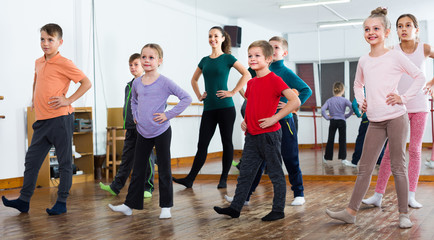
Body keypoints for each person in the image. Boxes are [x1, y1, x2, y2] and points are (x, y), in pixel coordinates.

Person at [325, 7, 427, 229]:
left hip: (396, 119)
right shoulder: (364, 60)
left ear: (387, 32)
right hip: (374, 120)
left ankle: (403, 215)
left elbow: (419, 76)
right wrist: (361, 100)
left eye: (376, 28)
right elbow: (357, 84)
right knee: (364, 167)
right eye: (367, 29)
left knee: (398, 166)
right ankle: (351, 212)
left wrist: (403, 97)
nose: (371, 32)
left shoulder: (395, 55)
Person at [1, 23, 92, 215]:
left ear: (60, 42)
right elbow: (36, 80)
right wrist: (34, 98)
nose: (45, 43)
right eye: (42, 39)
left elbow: (86, 83)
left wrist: (68, 99)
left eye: (50, 39)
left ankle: (61, 202)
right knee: (32, 161)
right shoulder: (38, 62)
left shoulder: (65, 63)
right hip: (42, 121)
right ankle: (24, 201)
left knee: (64, 162)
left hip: (60, 119)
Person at [214, 40, 301, 221]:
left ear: (268, 59)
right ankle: (235, 208)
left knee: (276, 173)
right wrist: (246, 121)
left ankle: (278, 210)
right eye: (250, 56)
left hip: (270, 135)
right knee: (245, 174)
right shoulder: (252, 83)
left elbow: (295, 101)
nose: (252, 59)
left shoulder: (276, 79)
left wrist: (275, 118)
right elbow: (252, 105)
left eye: (257, 56)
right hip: (252, 135)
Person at [108, 43, 192, 219]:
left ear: (159, 61)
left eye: (151, 57)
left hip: (161, 131)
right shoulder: (137, 82)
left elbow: (186, 98)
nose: (147, 60)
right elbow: (134, 100)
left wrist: (168, 115)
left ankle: (166, 206)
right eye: (144, 57)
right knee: (138, 170)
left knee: (164, 169)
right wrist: (136, 114)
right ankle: (129, 205)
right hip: (142, 131)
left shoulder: (165, 82)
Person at [227, 36, 312, 206]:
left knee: (290, 157)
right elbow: (249, 90)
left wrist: (289, 105)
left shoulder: (285, 73)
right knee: (258, 161)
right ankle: (246, 195)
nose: (273, 50)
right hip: (261, 126)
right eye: (270, 47)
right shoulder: (256, 71)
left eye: (277, 48)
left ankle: (299, 193)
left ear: (283, 53)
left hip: (284, 122)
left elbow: (306, 90)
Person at [363, 13, 434, 209]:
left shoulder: (424, 48)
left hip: (420, 106)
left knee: (415, 150)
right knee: (390, 152)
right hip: (396, 108)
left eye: (408, 25)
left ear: (416, 29)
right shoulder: (392, 51)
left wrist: (431, 82)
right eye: (400, 26)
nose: (404, 29)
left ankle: (411, 195)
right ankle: (378, 195)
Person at [173, 26, 250, 189]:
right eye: (210, 36)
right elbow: (193, 80)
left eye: (216, 36)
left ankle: (223, 179)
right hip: (209, 108)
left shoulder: (228, 58)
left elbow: (247, 74)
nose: (212, 39)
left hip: (226, 108)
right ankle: (190, 179)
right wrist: (199, 95)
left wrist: (233, 92)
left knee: (226, 143)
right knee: (202, 145)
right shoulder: (204, 60)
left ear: (222, 38)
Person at [99, 53, 156, 198]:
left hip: (144, 128)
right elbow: (127, 108)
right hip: (130, 128)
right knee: (126, 159)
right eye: (130, 65)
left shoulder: (148, 83)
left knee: (148, 158)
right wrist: (125, 127)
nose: (133, 67)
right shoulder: (129, 86)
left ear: (143, 66)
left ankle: (148, 187)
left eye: (136, 64)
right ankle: (115, 187)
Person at [321, 82, 353, 166]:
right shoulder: (345, 100)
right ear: (342, 90)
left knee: (330, 139)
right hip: (342, 121)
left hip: (333, 121)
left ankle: (326, 157)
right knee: (342, 139)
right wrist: (346, 116)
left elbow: (322, 110)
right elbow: (352, 108)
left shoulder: (330, 100)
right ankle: (343, 159)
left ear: (334, 90)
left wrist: (327, 118)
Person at [351, 97, 387, 167]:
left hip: (366, 120)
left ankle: (354, 162)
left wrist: (359, 115)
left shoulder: (362, 91)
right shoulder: (377, 90)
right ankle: (380, 162)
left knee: (361, 141)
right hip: (377, 119)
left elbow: (354, 104)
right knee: (380, 141)